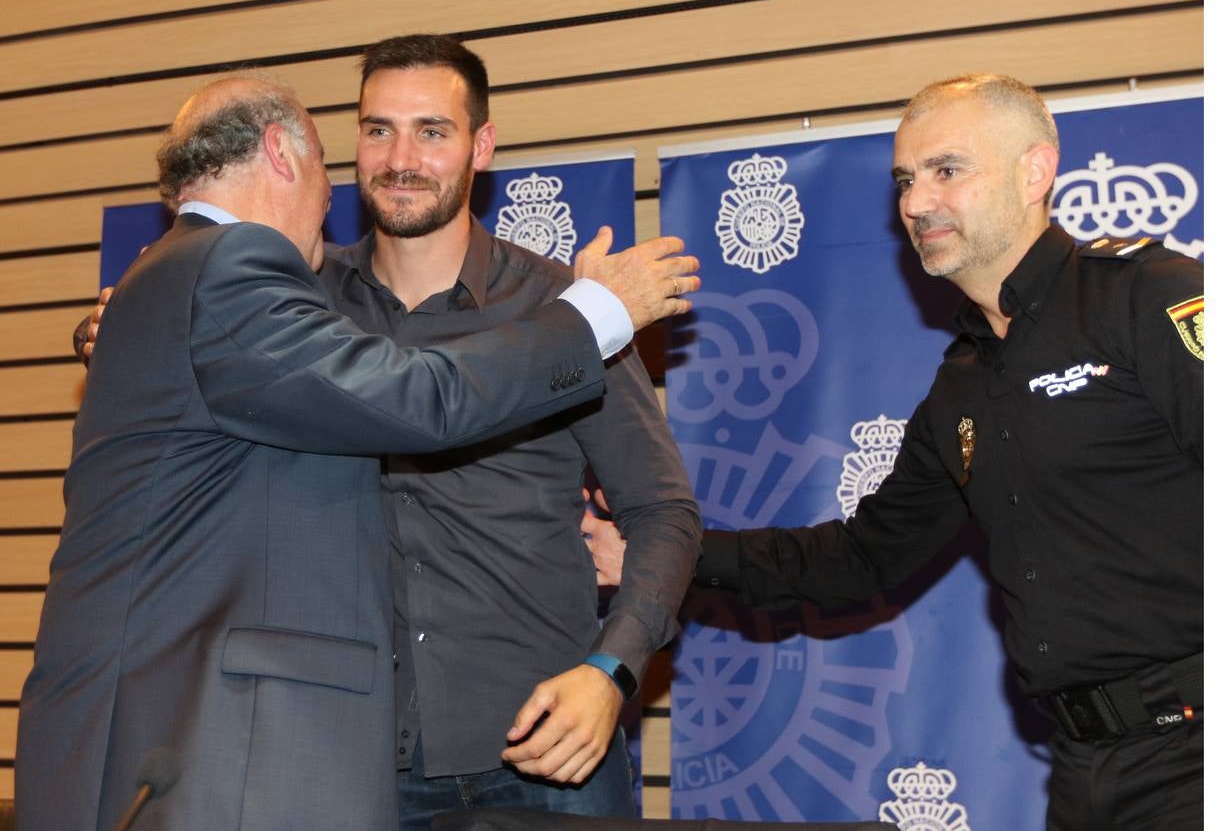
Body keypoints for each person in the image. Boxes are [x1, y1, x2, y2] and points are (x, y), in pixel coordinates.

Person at [19, 75, 698, 831]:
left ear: (482, 146)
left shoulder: (552, 305)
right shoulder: (287, 290)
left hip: (541, 751)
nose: (400, 157)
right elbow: (417, 399)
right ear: (294, 152)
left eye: (432, 131)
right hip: (344, 759)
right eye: (376, 131)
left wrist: (611, 671)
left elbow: (663, 509)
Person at [587, 74, 1203, 830]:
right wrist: (661, 555)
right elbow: (861, 558)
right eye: (906, 180)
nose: (915, 203)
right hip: (1086, 768)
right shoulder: (966, 382)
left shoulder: (1145, 296)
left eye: (948, 170)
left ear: (1035, 171)